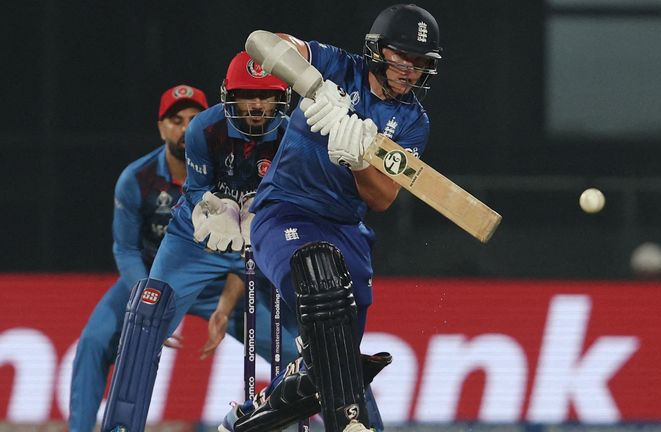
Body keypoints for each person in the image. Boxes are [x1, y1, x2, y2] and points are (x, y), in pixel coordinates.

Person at [220, 4, 444, 432]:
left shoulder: (413, 122)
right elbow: (262, 42)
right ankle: (349, 423)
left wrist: (359, 158)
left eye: (420, 63)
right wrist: (316, 87)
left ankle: (258, 411)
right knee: (320, 283)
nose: (410, 70)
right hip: (283, 212)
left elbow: (383, 199)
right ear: (379, 50)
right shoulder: (338, 65)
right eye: (403, 57)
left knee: (335, 361)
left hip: (347, 231)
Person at [99, 54, 299, 432]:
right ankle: (121, 427)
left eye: (267, 96)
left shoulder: (293, 133)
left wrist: (268, 214)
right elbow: (194, 191)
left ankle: (356, 420)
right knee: (145, 325)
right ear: (230, 96)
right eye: (247, 96)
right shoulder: (204, 129)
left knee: (304, 343)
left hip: (261, 237)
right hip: (196, 240)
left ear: (281, 98)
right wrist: (210, 208)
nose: (257, 106)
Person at [69, 85, 253, 432]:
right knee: (93, 342)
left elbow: (244, 252)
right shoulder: (137, 180)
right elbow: (125, 249)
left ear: (208, 126)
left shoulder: (229, 174)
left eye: (194, 119)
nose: (185, 128)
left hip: (219, 287)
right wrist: (147, 304)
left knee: (296, 351)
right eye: (175, 120)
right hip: (155, 279)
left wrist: (225, 307)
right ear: (160, 127)